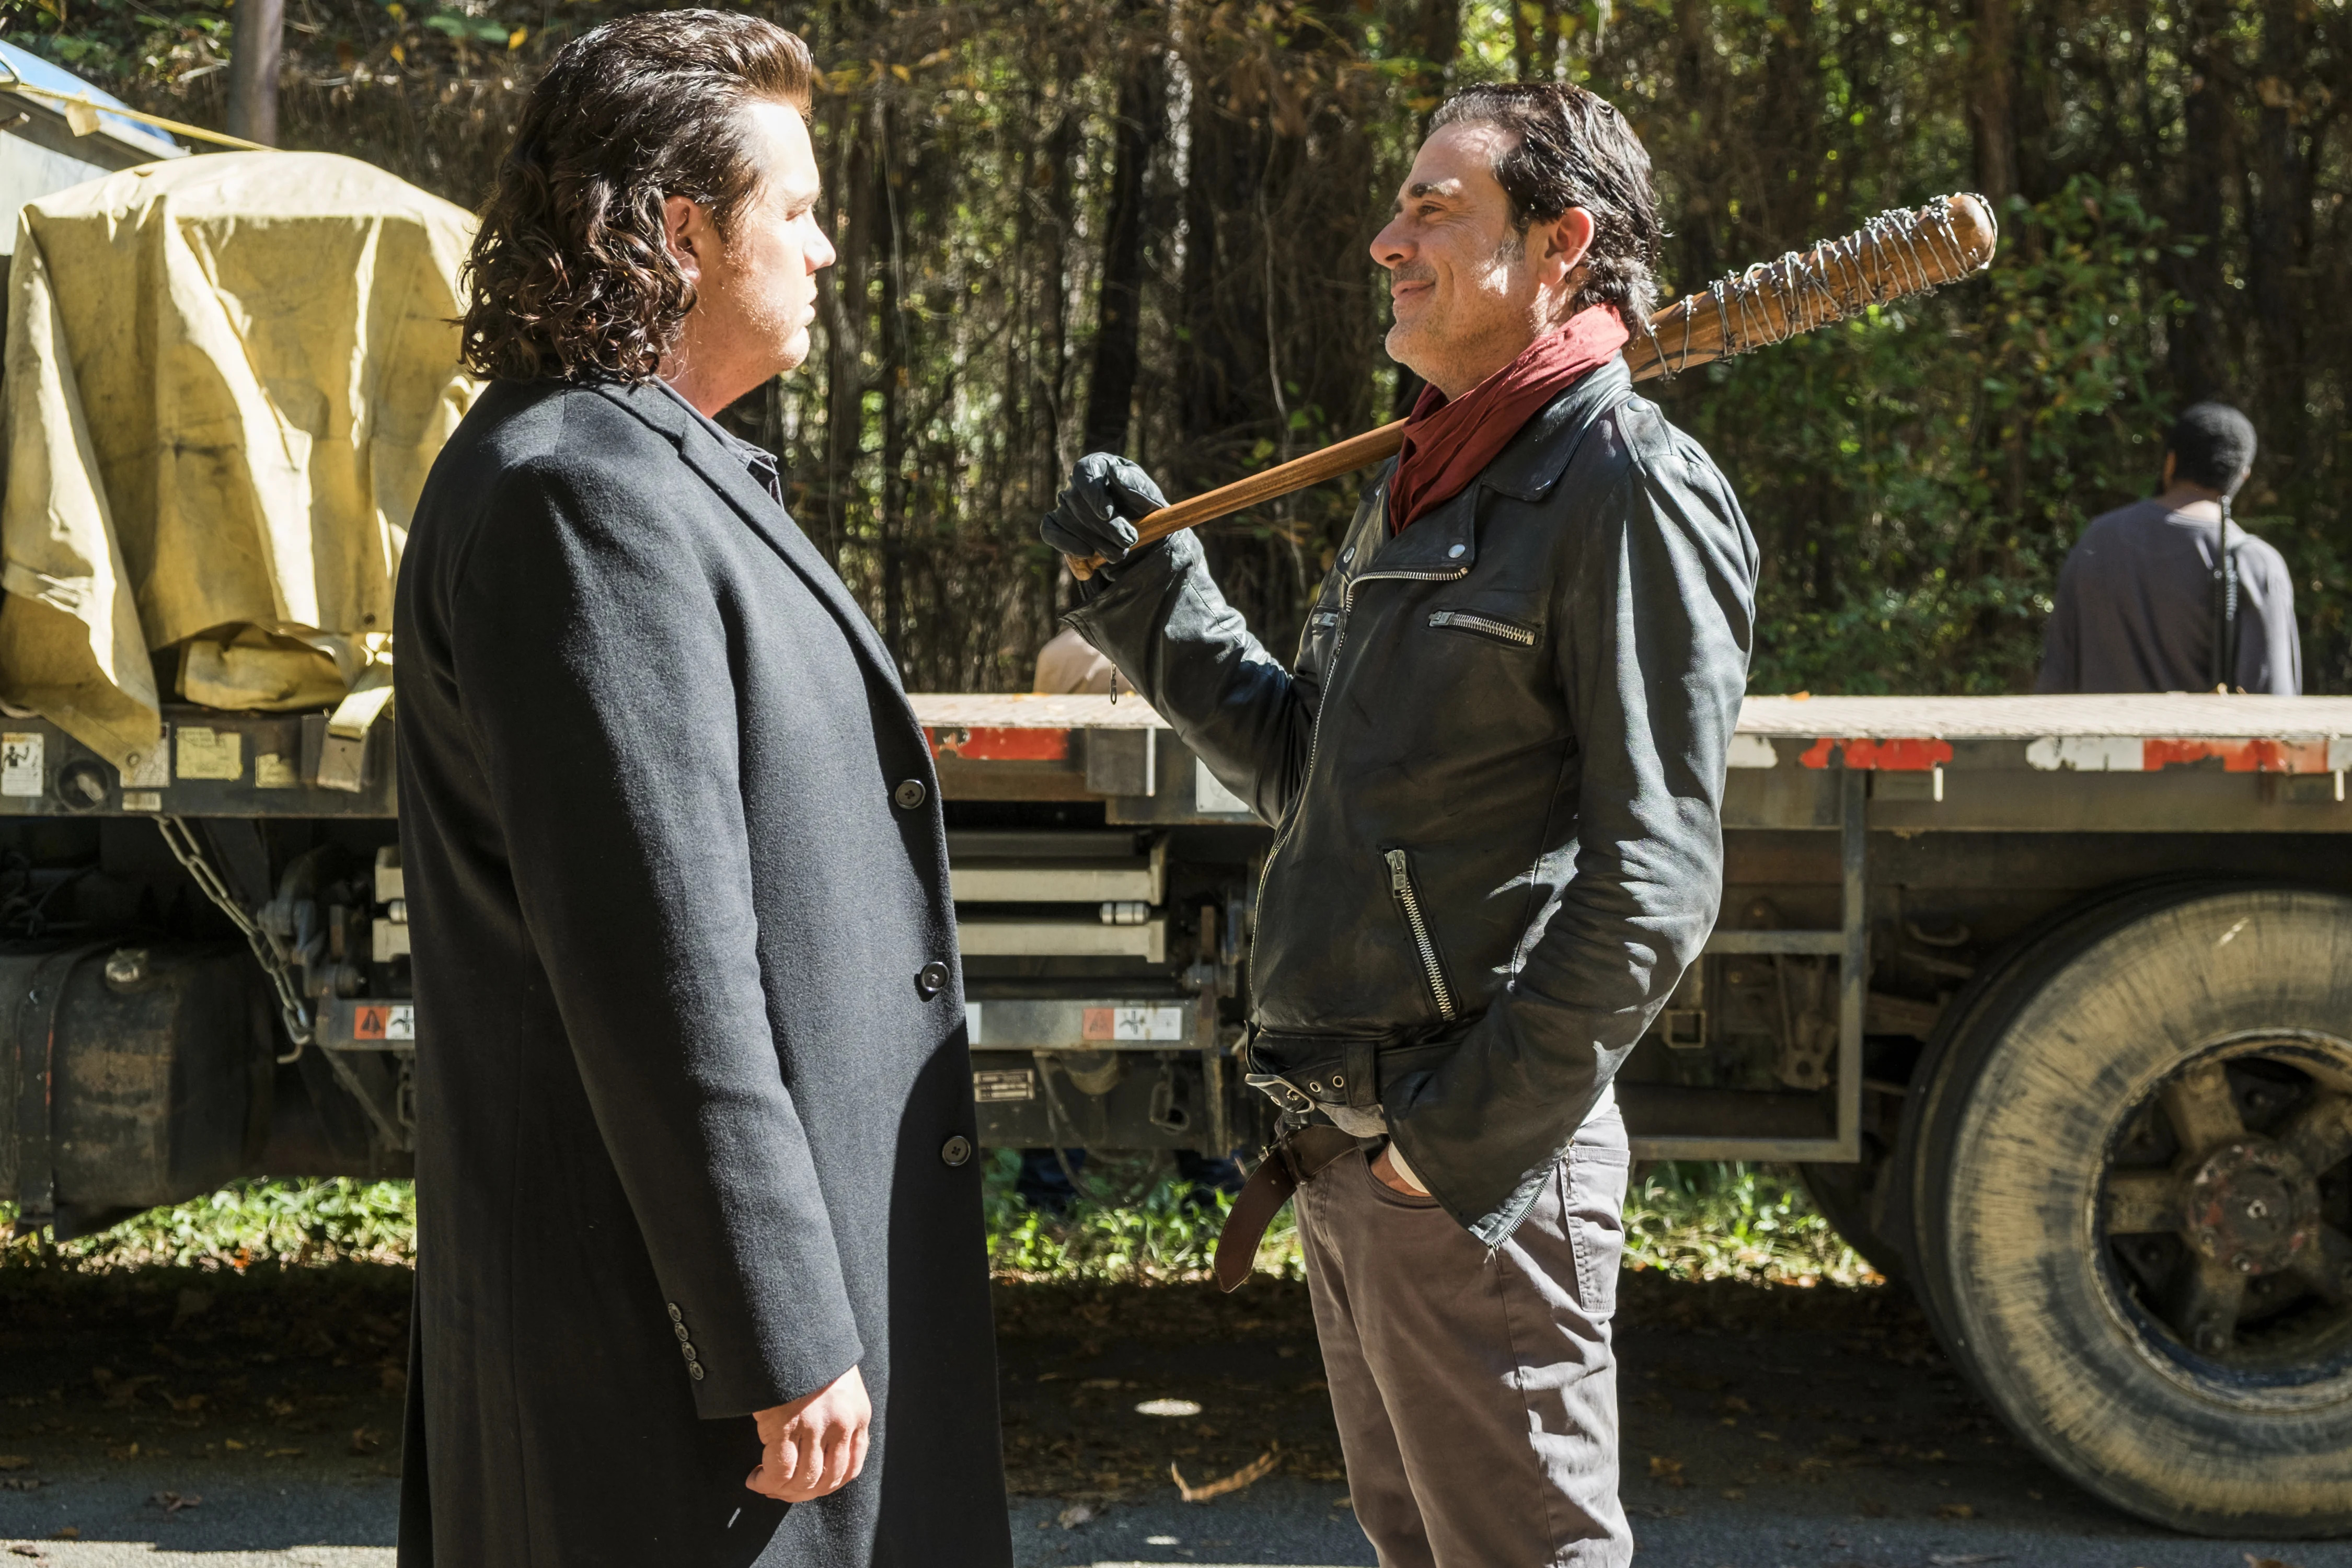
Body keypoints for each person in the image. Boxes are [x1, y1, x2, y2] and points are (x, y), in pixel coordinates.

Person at [1041, 83, 1756, 1568]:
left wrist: (1448, 1152)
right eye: (1396, 206)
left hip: (1467, 1172)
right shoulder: (1428, 481)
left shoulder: (1623, 484)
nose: (1385, 240)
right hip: (1351, 1149)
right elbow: (1313, 772)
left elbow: (1655, 881)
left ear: (1560, 244)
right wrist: (1146, 592)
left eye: (1434, 208)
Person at [391, 14, 1011, 1565]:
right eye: (793, 210)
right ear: (682, 233)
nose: (824, 247)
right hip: (659, 1367)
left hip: (683, 1339)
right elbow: (661, 963)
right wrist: (775, 1326)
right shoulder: (578, 496)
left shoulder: (645, 469)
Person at [2037, 401, 2301, 695]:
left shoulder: (2097, 540)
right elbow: (2275, 702)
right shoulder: (2256, 564)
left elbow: (2056, 676)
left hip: (2100, 727)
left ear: (2171, 462)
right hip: (2205, 729)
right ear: (2243, 475)